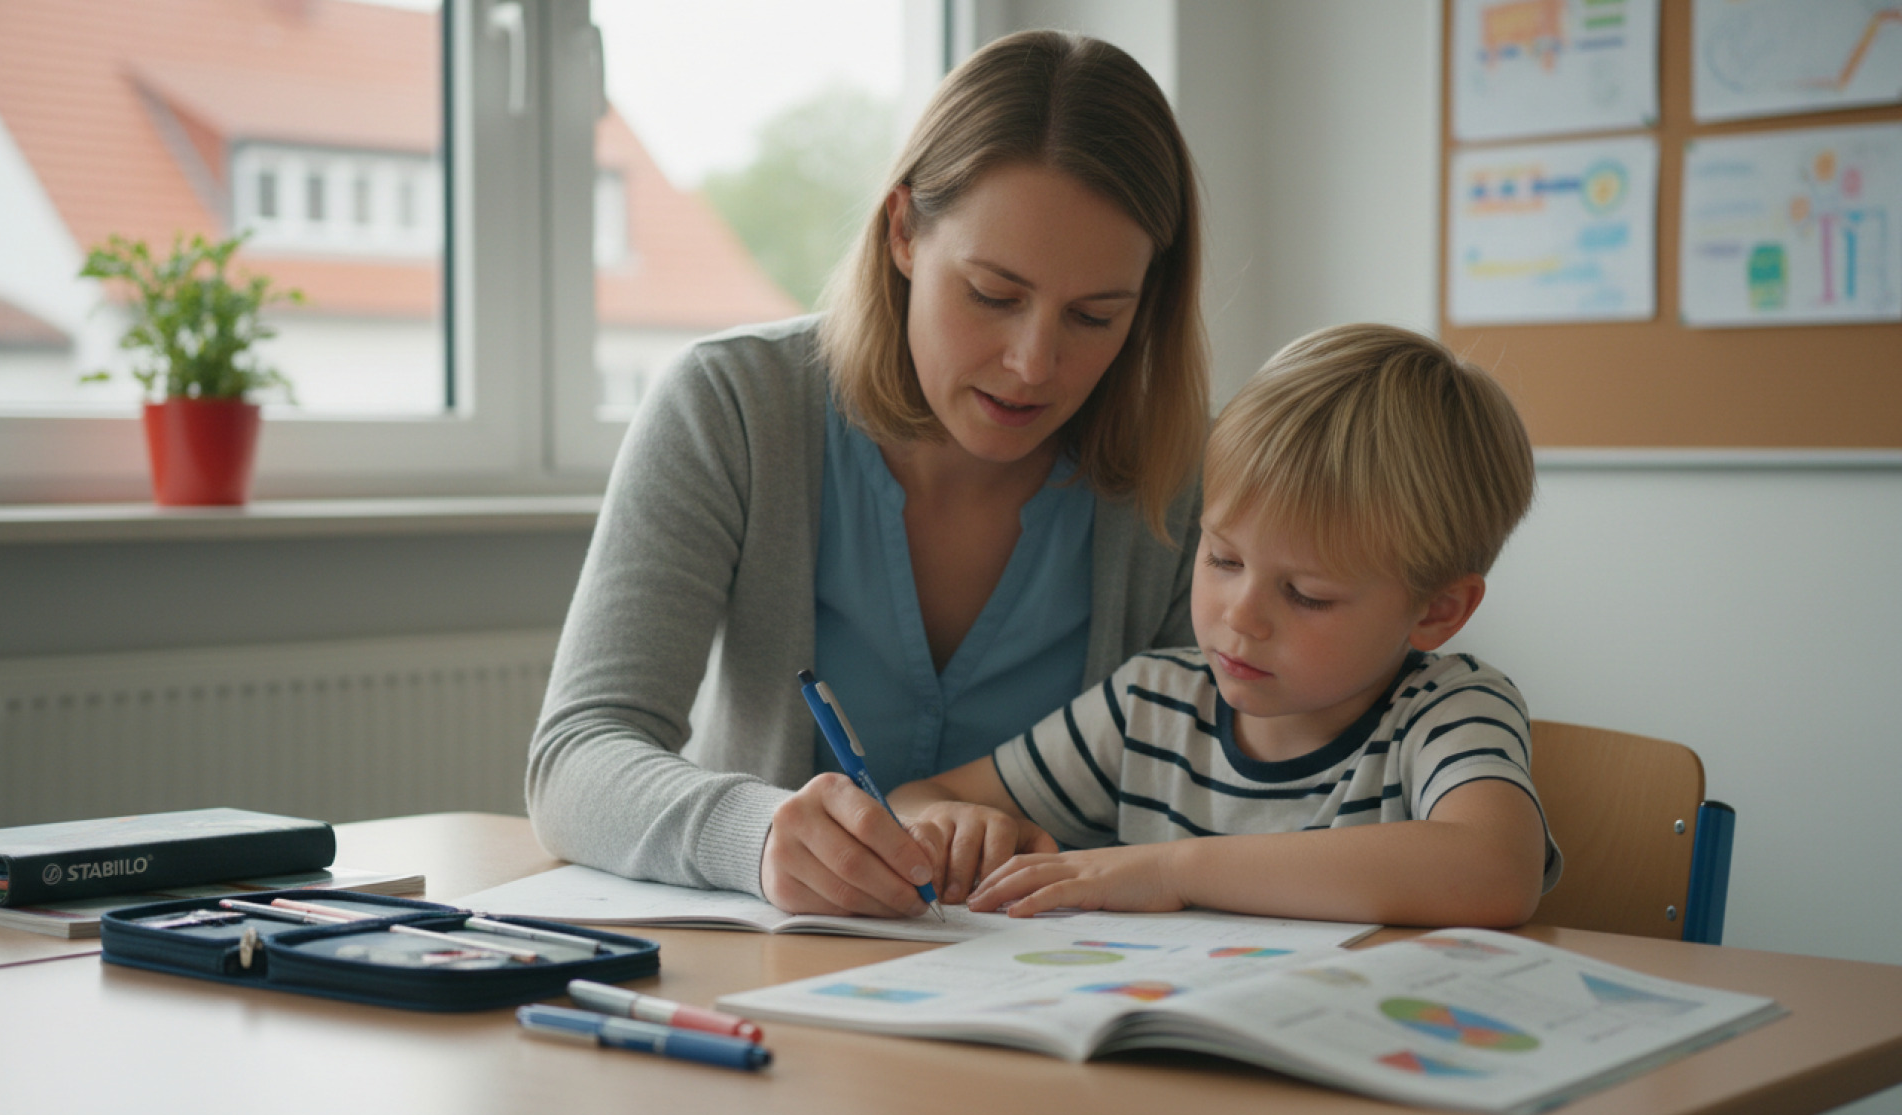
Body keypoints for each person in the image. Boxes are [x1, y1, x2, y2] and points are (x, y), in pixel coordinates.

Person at [527, 30, 1209, 918]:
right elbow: (577, 755)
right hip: (768, 989)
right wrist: (760, 833)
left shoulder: (1183, 482)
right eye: (993, 295)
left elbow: (1214, 793)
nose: (1034, 363)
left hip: (1057, 995)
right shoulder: (732, 407)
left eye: (1094, 316)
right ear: (902, 233)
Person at [890, 323, 1562, 927]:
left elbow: (1495, 871)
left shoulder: (1449, 708)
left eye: (1306, 594)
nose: (1240, 615)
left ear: (1436, 610)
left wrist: (1171, 870)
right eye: (1222, 557)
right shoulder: (1152, 705)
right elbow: (923, 794)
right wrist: (948, 822)